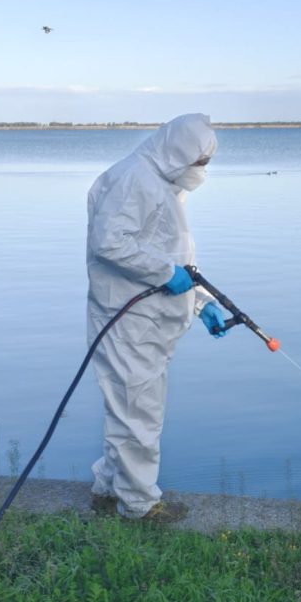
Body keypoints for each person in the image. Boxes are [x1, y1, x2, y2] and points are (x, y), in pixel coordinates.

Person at [86, 113, 228, 522]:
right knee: (138, 412)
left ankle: (109, 488)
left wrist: (202, 303)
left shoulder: (163, 184)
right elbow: (109, 243)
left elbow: (177, 257)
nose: (200, 171)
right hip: (126, 320)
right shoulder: (135, 179)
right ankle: (139, 506)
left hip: (148, 321)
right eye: (198, 162)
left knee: (127, 408)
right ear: (178, 151)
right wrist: (167, 275)